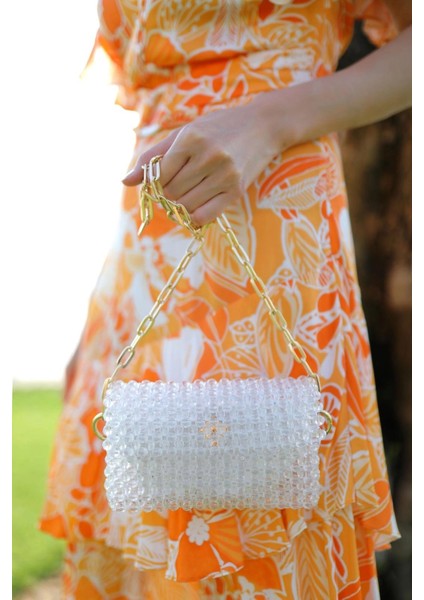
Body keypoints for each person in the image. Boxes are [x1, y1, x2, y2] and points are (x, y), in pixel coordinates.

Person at [39, 0, 412, 598]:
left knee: (265, 472)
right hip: (147, 244)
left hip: (271, 202)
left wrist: (270, 121)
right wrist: (96, 328)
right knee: (145, 485)